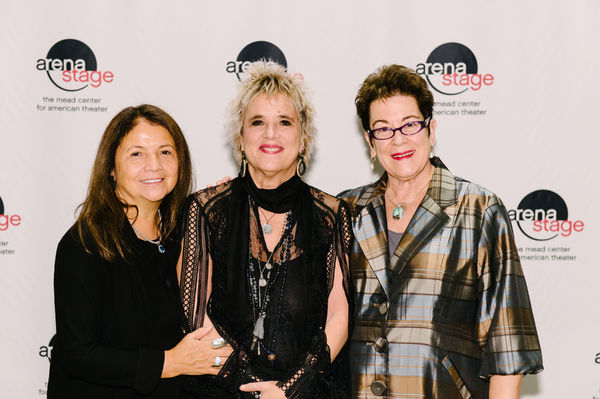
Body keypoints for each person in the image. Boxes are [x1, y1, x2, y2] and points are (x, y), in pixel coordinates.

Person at [338, 65, 543, 399]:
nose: (398, 139)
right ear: (369, 142)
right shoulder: (345, 211)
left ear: (431, 129)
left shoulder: (479, 210)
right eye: (383, 129)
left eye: (410, 125)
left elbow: (507, 347)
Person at [178, 61, 353, 398]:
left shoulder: (331, 215)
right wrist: (251, 387)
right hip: (220, 389)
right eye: (257, 122)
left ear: (303, 140)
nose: (270, 133)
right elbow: (194, 313)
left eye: (284, 122)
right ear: (240, 139)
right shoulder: (206, 209)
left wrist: (290, 388)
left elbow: (339, 314)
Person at [48, 104, 232, 399]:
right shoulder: (86, 244)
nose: (154, 165)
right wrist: (168, 362)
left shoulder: (183, 236)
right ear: (111, 167)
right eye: (137, 154)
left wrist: (223, 214)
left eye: (165, 152)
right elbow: (77, 353)